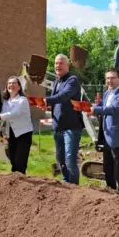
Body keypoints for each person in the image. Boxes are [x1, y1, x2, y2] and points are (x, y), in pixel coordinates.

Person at [38, 54, 84, 185]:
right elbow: (57, 101)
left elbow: (64, 96)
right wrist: (46, 104)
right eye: (56, 64)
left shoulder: (72, 80)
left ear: (67, 65)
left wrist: (47, 100)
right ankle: (66, 184)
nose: (58, 66)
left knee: (70, 161)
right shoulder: (57, 82)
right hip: (58, 126)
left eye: (61, 63)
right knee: (61, 160)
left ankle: (74, 189)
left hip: (71, 127)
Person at [90, 69, 119, 195]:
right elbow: (102, 105)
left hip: (118, 138)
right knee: (108, 168)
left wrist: (95, 110)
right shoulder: (108, 92)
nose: (110, 81)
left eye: (113, 78)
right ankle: (110, 193)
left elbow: (113, 109)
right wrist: (89, 107)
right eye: (107, 78)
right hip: (107, 136)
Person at [0, 76, 33, 174]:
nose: (11, 85)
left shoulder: (22, 100)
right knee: (13, 160)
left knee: (20, 162)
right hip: (11, 134)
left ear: (19, 87)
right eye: (9, 83)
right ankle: (15, 184)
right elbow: (3, 117)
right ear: (7, 87)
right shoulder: (6, 102)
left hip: (23, 134)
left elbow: (14, 113)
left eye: (14, 83)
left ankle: (21, 183)